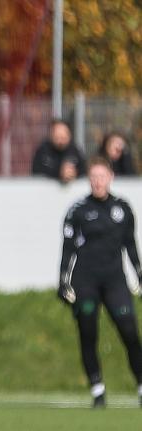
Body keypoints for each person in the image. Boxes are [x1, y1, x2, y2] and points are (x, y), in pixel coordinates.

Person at [58, 157, 142, 409]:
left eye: (102, 176)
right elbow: (67, 248)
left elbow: (130, 245)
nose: (97, 181)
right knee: (88, 333)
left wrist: (139, 272)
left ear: (110, 178)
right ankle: (98, 390)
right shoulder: (78, 211)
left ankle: (140, 385)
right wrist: (63, 280)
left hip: (115, 281)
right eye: (93, 177)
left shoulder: (123, 209)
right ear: (89, 180)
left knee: (129, 332)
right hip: (85, 281)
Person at [31, 119, 86, 184]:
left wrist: (74, 174)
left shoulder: (75, 151)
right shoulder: (43, 151)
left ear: (69, 135)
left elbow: (84, 172)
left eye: (63, 137)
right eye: (57, 137)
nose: (61, 141)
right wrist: (59, 174)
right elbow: (36, 173)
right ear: (51, 135)